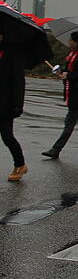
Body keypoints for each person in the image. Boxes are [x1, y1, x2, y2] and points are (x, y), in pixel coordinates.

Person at [42, 31, 78, 160]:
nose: (69, 42)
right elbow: (71, 72)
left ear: (77, 42)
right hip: (73, 93)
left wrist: (69, 75)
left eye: (71, 40)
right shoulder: (73, 55)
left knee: (69, 123)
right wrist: (62, 73)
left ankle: (56, 149)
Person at [0, 32, 28, 181]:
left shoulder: (12, 55)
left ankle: (20, 164)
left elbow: (19, 82)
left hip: (6, 103)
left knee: (7, 136)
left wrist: (18, 104)